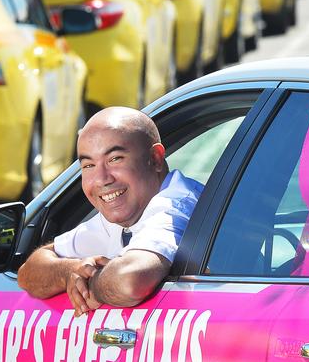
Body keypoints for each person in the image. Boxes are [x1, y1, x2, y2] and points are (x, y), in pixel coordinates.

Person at [17, 107, 203, 316]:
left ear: (156, 158)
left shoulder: (174, 207)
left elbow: (130, 281)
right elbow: (28, 272)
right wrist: (71, 271)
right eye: (89, 165)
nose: (101, 179)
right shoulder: (123, 216)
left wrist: (91, 284)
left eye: (115, 159)